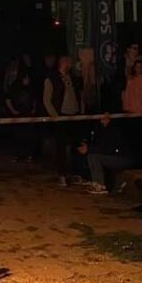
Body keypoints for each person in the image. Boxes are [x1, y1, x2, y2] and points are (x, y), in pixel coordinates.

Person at [43, 56, 84, 186]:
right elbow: (46, 99)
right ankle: (62, 174)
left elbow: (79, 94)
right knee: (61, 146)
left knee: (76, 144)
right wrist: (55, 116)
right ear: (63, 63)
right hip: (62, 115)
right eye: (69, 62)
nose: (71, 65)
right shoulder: (51, 79)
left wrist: (81, 110)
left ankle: (75, 173)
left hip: (75, 115)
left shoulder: (73, 78)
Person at [80, 113, 133, 195]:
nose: (101, 120)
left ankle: (100, 185)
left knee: (95, 157)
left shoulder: (114, 130)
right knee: (91, 156)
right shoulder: (103, 129)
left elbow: (108, 149)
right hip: (115, 156)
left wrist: (89, 149)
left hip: (122, 158)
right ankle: (96, 183)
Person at [6, 68, 39, 161]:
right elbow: (8, 100)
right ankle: (19, 155)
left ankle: (28, 154)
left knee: (29, 135)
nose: (28, 80)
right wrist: (13, 111)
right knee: (19, 135)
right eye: (26, 78)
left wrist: (33, 109)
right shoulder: (15, 87)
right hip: (18, 115)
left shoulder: (30, 88)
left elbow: (34, 100)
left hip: (28, 115)